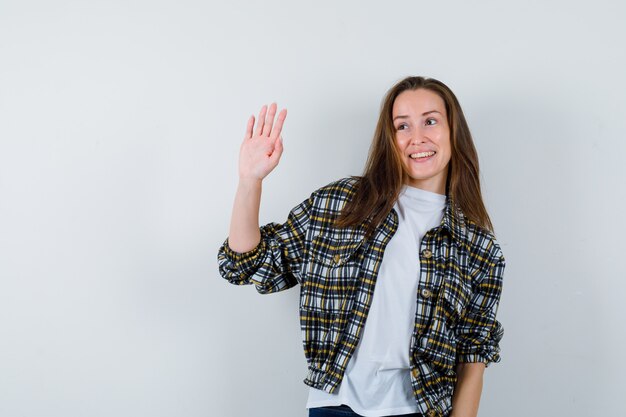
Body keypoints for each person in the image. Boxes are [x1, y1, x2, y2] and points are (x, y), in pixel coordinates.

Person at [217, 76, 505, 417]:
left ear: (453, 131)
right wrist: (250, 181)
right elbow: (246, 264)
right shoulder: (343, 204)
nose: (417, 138)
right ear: (390, 138)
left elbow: (473, 355)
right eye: (402, 126)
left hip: (419, 409)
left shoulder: (478, 246)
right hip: (336, 406)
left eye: (430, 121)